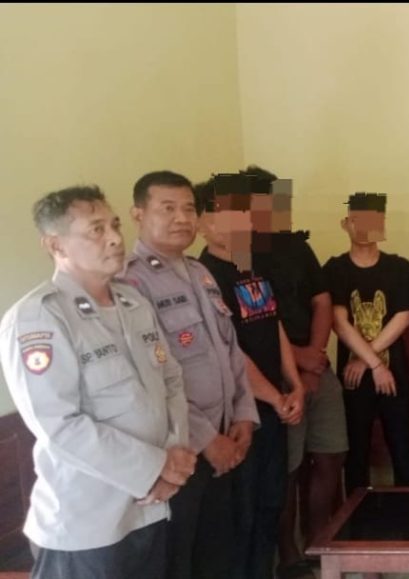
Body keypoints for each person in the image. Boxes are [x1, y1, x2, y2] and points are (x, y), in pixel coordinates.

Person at [0, 185, 194, 579]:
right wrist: (156, 468)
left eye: (115, 225)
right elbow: (59, 425)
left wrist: (175, 456)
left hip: (152, 508)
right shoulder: (39, 318)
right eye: (96, 230)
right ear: (55, 244)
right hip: (89, 521)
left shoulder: (133, 304)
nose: (115, 238)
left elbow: (171, 380)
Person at [122, 170, 260, 579]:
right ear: (138, 214)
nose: (182, 218)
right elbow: (152, 376)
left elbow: (229, 350)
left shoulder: (200, 272)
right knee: (179, 559)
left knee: (218, 554)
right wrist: (207, 439)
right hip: (180, 449)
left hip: (225, 437)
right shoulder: (130, 282)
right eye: (168, 208)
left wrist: (243, 414)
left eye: (188, 209)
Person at [236, 166, 348, 579]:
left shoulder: (295, 246)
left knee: (332, 454)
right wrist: (299, 361)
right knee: (289, 468)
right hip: (276, 376)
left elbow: (322, 301)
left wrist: (315, 356)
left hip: (318, 366)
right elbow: (252, 323)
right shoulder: (236, 255)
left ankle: (321, 541)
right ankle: (289, 553)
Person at [196, 173, 305, 579]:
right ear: (204, 222)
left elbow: (273, 326)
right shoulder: (204, 276)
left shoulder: (253, 267)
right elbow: (230, 350)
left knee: (269, 504)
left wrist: (293, 385)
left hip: (275, 407)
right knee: (240, 514)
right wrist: (275, 398)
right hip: (240, 414)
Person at [324, 192, 409, 491]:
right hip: (354, 381)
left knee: (403, 451)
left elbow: (403, 317)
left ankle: (407, 517)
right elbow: (339, 322)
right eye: (358, 220)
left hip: (393, 376)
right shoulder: (335, 268)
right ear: (346, 224)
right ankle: (357, 518)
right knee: (356, 455)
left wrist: (368, 362)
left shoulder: (399, 267)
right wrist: (375, 364)